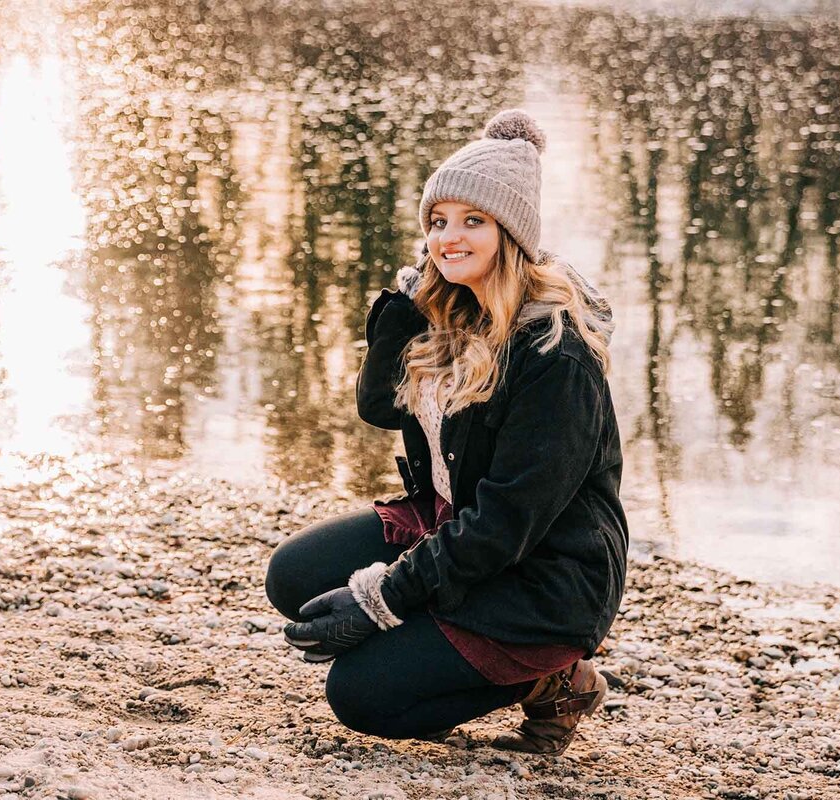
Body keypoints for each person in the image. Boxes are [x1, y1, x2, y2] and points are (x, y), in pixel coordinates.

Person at [264, 109, 628, 756]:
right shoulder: (456, 312)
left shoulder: (555, 357)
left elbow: (502, 526)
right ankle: (437, 636)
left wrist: (384, 602)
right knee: (294, 578)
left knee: (361, 695)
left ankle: (555, 680)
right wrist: (409, 301)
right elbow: (379, 406)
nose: (449, 237)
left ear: (511, 233)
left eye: (473, 221)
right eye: (438, 223)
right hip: (454, 522)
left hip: (541, 575)